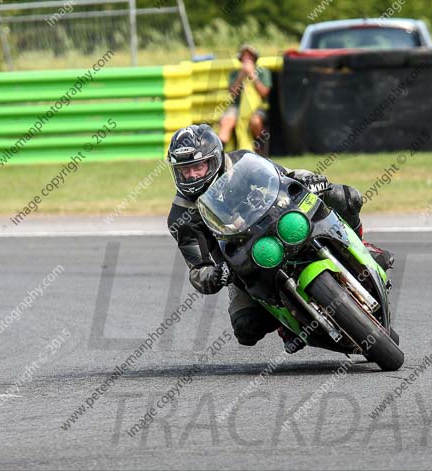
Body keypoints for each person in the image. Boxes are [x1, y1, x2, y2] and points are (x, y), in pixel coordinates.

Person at [166, 124, 393, 353]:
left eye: (199, 166)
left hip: (278, 217)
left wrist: (312, 180)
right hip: (240, 261)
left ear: (214, 159)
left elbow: (285, 175)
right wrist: (215, 274)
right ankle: (289, 324)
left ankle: (361, 247)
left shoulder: (241, 162)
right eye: (186, 170)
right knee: (246, 328)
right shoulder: (181, 216)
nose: (193, 174)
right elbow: (198, 270)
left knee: (347, 197)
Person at [218, 44, 271, 154]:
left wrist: (252, 75)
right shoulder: (235, 73)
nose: (247, 59)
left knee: (255, 121)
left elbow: (264, 93)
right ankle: (220, 154)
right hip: (237, 107)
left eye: (249, 56)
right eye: (244, 56)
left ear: (254, 58)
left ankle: (260, 151)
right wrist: (241, 76)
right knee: (226, 121)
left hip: (257, 107)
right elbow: (232, 94)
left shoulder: (263, 72)